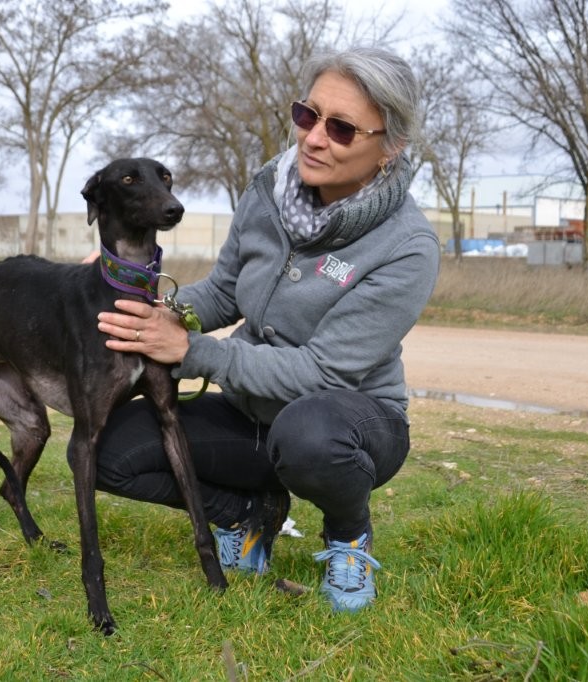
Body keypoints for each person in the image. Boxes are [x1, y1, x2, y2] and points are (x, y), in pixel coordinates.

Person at [90, 46, 440, 612]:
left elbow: (322, 373)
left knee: (309, 434)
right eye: (308, 115)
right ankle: (246, 513)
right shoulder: (268, 190)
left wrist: (192, 351)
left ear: (390, 147)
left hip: (348, 424)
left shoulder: (407, 246)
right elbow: (224, 291)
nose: (313, 138)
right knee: (104, 449)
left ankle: (349, 536)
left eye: (341, 128)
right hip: (250, 413)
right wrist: (148, 304)